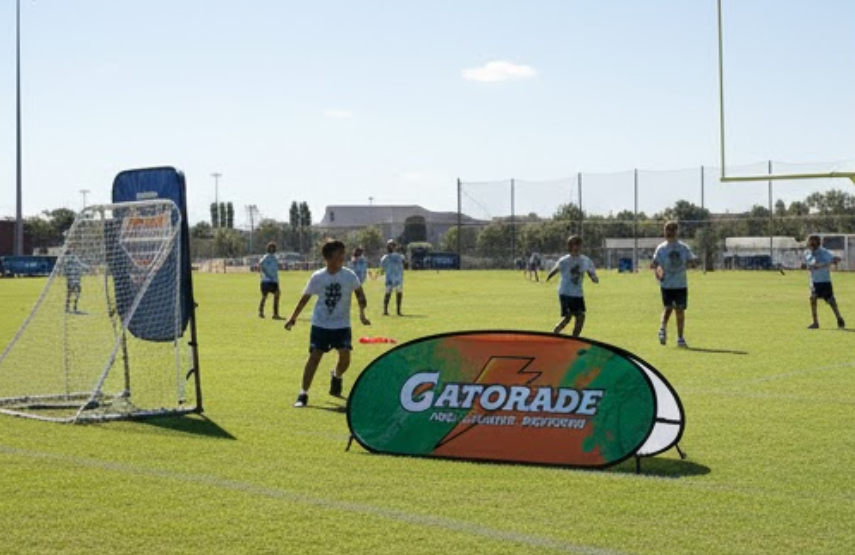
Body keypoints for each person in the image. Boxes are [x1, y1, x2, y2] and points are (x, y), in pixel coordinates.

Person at [284, 240, 370, 407]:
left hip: (342, 324)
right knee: (315, 357)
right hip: (321, 324)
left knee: (345, 357)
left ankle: (336, 375)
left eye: (343, 254)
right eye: (339, 255)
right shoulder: (318, 277)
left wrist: (362, 314)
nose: (343, 258)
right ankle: (303, 394)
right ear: (328, 258)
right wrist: (293, 317)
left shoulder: (349, 276)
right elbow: (305, 298)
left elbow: (360, 295)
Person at [650, 221, 696, 348]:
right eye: (667, 230)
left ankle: (680, 338)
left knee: (680, 311)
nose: (669, 233)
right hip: (667, 284)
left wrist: (691, 262)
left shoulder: (683, 248)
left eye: (672, 230)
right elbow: (654, 264)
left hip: (681, 283)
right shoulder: (661, 248)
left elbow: (692, 261)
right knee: (668, 308)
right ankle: (662, 328)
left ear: (677, 232)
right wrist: (658, 273)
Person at [546, 236, 599, 336]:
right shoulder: (564, 260)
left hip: (577, 293)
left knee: (580, 317)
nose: (576, 247)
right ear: (570, 247)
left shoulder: (585, 260)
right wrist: (549, 276)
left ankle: (574, 339)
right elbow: (556, 269)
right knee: (568, 316)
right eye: (574, 245)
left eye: (578, 245)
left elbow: (591, 272)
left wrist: (594, 278)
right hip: (565, 292)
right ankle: (555, 334)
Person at [804, 234, 845, 329]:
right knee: (813, 298)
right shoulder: (808, 253)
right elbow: (815, 265)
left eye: (812, 242)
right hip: (815, 281)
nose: (811, 244)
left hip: (825, 281)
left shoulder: (824, 252)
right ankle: (815, 323)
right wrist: (829, 263)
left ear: (818, 243)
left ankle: (839, 318)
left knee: (831, 301)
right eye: (810, 242)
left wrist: (835, 259)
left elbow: (833, 258)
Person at [380, 239, 405, 316]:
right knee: (388, 294)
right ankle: (385, 310)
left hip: (398, 278)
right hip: (389, 278)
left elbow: (404, 264)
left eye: (393, 245)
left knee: (399, 293)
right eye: (390, 245)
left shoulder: (400, 256)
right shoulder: (385, 258)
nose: (391, 247)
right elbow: (382, 269)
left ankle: (398, 311)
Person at [258, 242, 282, 319]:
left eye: (273, 248)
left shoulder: (275, 258)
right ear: (268, 249)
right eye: (271, 248)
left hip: (274, 281)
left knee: (277, 294)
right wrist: (265, 274)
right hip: (266, 281)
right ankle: (261, 312)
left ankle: (275, 314)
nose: (272, 249)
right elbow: (260, 265)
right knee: (264, 296)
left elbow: (275, 270)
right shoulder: (266, 257)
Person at [64, 247, 85, 314]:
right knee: (71, 293)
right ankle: (69, 308)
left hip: (75, 280)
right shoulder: (69, 260)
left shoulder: (74, 259)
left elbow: (80, 265)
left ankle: (72, 307)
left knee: (75, 293)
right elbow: (80, 265)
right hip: (72, 280)